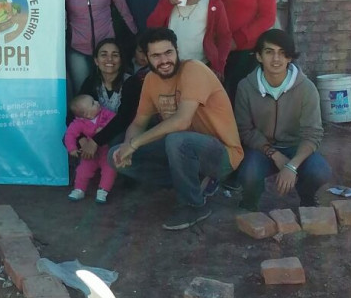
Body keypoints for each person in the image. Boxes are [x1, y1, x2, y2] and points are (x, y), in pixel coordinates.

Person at [110, 27, 243, 230]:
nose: (164, 60)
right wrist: (128, 146)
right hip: (182, 152)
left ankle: (194, 205)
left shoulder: (194, 70)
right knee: (115, 155)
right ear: (146, 57)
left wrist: (135, 143)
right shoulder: (151, 81)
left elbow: (182, 121)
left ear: (177, 50)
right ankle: (191, 182)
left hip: (222, 154)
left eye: (168, 53)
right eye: (156, 55)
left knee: (177, 139)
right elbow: (139, 122)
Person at [234, 29, 332, 211]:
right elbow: (245, 130)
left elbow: (313, 133)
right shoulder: (246, 87)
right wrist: (275, 155)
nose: (276, 59)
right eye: (269, 52)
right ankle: (249, 203)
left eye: (282, 53)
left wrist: (292, 166)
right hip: (261, 149)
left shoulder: (306, 88)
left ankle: (307, 198)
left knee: (320, 171)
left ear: (289, 58)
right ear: (259, 56)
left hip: (295, 147)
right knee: (248, 173)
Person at [146, 0, 231, 79]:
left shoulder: (213, 2)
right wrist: (168, 3)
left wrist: (219, 66)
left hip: (201, 65)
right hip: (169, 65)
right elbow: (152, 25)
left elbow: (224, 36)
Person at [64, 94, 117, 203]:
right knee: (83, 170)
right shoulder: (78, 123)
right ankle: (79, 189)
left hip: (105, 151)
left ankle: (103, 190)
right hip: (89, 154)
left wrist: (104, 128)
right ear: (87, 114)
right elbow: (69, 134)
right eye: (93, 103)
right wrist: (72, 148)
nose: (97, 102)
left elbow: (115, 119)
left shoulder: (104, 113)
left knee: (110, 169)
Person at [78, 39, 129, 114]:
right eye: (104, 55)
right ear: (96, 61)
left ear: (121, 60)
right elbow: (77, 111)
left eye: (115, 55)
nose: (109, 59)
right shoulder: (90, 81)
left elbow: (127, 117)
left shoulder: (131, 82)